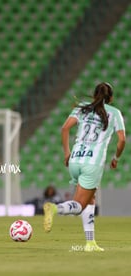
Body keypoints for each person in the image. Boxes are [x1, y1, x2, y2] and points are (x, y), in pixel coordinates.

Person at [43, 82, 125, 252]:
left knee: (90, 199)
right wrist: (116, 157)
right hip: (92, 162)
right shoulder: (114, 113)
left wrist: (67, 153)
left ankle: (90, 243)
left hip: (75, 159)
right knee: (79, 205)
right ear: (111, 98)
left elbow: (65, 128)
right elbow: (122, 140)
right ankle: (54, 208)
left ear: (94, 95)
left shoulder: (82, 108)